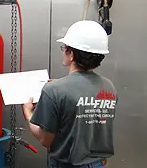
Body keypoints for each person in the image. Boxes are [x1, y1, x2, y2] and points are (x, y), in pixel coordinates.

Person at [22, 20, 118, 168]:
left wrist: (28, 113)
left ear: (71, 54)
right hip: (99, 164)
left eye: (65, 47)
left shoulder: (54, 90)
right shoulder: (109, 87)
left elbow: (45, 140)